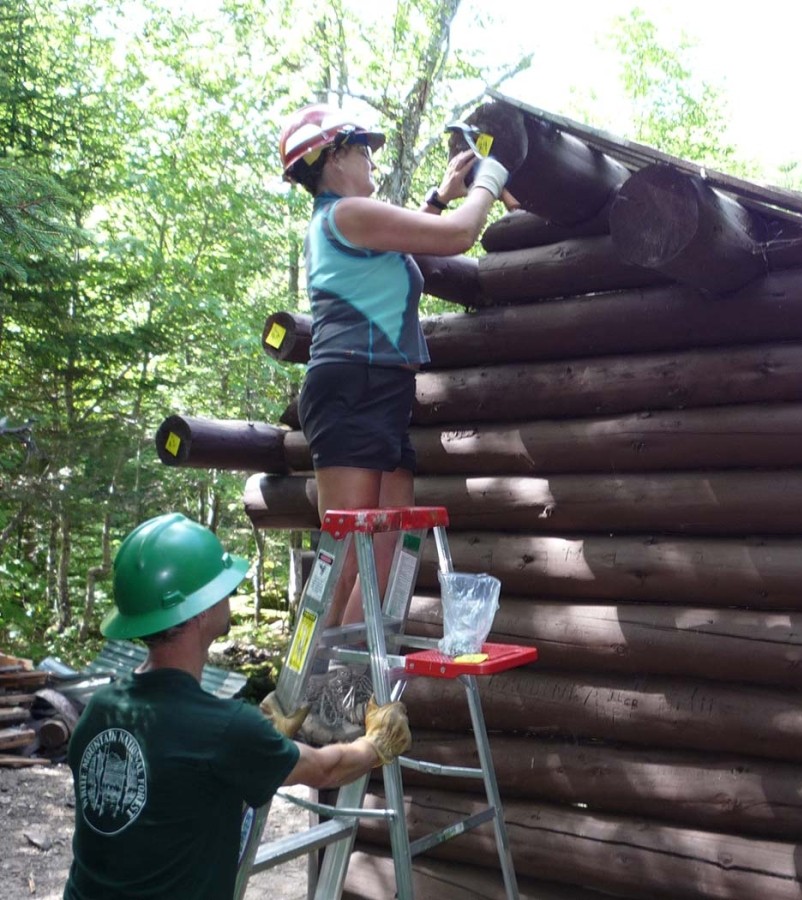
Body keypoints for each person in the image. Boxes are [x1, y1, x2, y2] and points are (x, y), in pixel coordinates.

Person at [63, 513, 412, 900]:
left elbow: (169, 801)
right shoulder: (223, 729)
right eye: (221, 587)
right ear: (199, 612)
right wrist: (376, 744)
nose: (229, 594)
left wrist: (254, 750)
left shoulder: (100, 710)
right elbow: (325, 770)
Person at [278, 102, 514, 628]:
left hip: (380, 389)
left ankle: (347, 689)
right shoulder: (344, 213)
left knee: (384, 558)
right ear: (335, 156)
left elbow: (414, 238)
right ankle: (297, 696)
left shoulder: (352, 222)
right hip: (350, 385)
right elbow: (458, 237)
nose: (371, 163)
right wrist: (493, 177)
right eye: (363, 150)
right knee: (344, 559)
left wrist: (440, 196)